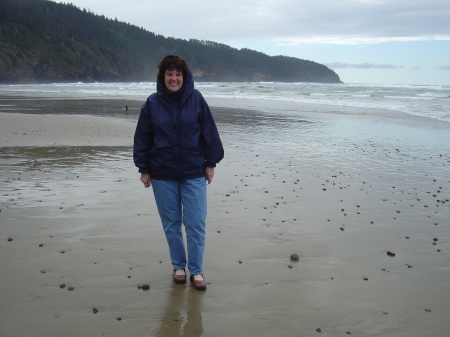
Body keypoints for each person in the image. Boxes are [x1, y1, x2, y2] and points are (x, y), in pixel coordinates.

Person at [133, 55, 224, 290]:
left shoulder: (197, 100)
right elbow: (143, 137)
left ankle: (197, 270)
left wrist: (210, 163)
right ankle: (178, 266)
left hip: (193, 171)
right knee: (171, 224)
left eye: (178, 74)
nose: (174, 78)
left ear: (185, 77)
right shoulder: (152, 103)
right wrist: (144, 168)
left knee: (195, 222)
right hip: (162, 173)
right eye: (169, 74)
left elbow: (209, 132)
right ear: (162, 78)